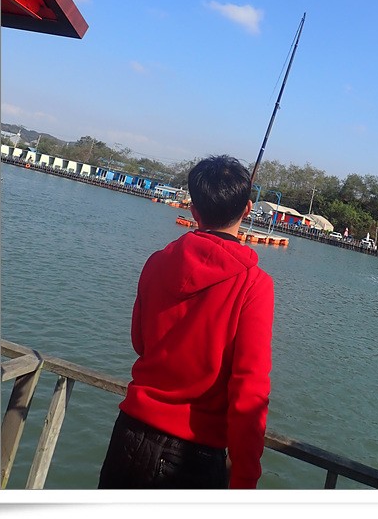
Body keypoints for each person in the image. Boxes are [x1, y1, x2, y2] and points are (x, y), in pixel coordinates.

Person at [98, 155, 274, 489]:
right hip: (194, 457)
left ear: (194, 210)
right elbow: (250, 389)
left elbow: (140, 342)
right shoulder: (255, 285)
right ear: (248, 210)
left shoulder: (156, 262)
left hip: (129, 435)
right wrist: (245, 479)